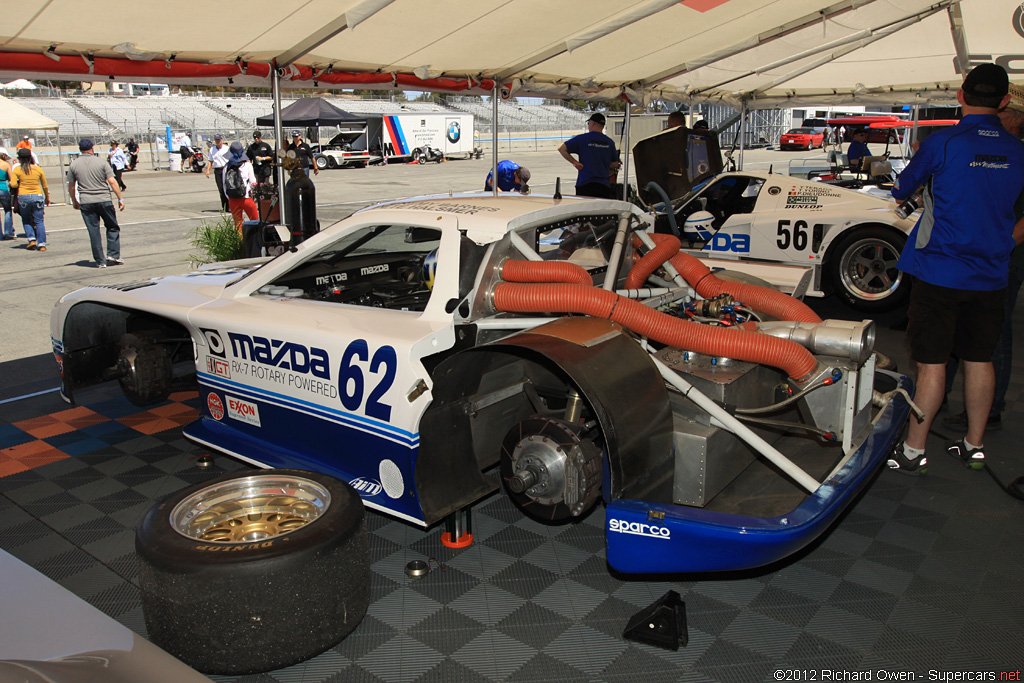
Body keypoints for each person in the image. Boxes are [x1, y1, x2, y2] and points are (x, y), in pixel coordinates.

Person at [887, 63, 1024, 475]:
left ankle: (913, 451)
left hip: (939, 272)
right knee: (981, 358)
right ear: (1003, 102)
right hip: (991, 274)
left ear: (961, 96)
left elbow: (900, 189)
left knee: (933, 363)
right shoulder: (1019, 150)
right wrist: (1003, 243)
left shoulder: (942, 141)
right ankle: (974, 446)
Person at [942, 83, 1024, 434]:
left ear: (1016, 117)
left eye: (1000, 112)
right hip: (977, 254)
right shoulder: (990, 150)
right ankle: (941, 394)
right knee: (958, 326)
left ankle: (990, 408)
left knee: (994, 333)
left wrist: (998, 245)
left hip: (1003, 257)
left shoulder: (1016, 153)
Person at [67, 139, 125, 268]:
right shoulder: (101, 162)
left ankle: (100, 261)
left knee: (94, 231)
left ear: (80, 149)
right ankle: (113, 254)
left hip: (86, 201)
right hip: (104, 199)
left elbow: (71, 186)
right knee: (112, 226)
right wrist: (120, 198)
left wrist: (74, 201)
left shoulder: (74, 165)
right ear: (92, 148)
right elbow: (112, 181)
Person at [557, 112, 620, 199]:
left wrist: (575, 162)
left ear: (592, 123)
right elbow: (615, 164)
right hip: (603, 185)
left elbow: (561, 148)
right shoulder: (610, 142)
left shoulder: (582, 139)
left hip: (585, 183)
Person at [10, 147, 50, 252]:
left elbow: (13, 184)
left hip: (23, 196)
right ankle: (42, 244)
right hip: (37, 195)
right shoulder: (38, 169)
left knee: (26, 219)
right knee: (39, 221)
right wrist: (47, 197)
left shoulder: (17, 169)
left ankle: (31, 239)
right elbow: (45, 185)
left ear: (19, 158)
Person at [222, 141, 258, 233]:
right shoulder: (247, 165)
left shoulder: (226, 167)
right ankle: (256, 242)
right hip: (247, 198)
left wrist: (229, 197)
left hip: (233, 199)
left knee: (238, 224)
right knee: (255, 221)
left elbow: (224, 184)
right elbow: (253, 182)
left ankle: (241, 244)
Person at [206, 134, 232, 212]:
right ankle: (224, 206)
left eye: (219, 140)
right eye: (216, 140)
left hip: (226, 168)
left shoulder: (226, 148)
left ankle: (230, 205)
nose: (218, 141)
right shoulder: (212, 149)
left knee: (228, 188)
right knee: (221, 189)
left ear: (222, 140)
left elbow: (231, 159)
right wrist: (208, 170)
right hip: (218, 170)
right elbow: (210, 160)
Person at [0, 148, 14, 241]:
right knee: (8, 210)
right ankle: (8, 231)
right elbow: (11, 180)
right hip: (3, 189)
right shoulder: (6, 164)